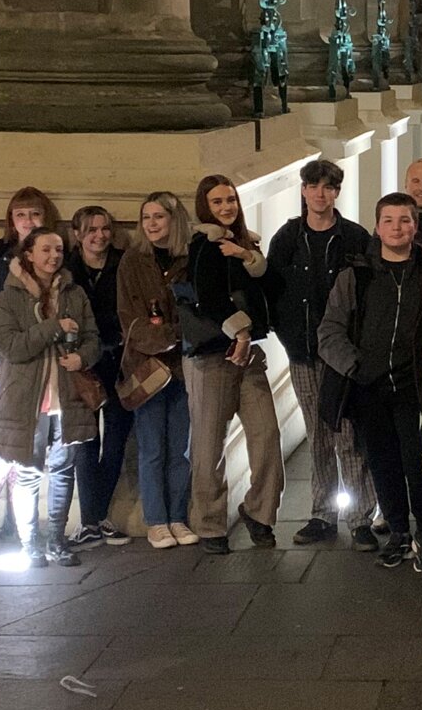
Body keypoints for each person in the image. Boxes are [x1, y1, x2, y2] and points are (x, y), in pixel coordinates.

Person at [320, 193, 422, 569]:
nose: (397, 228)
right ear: (377, 226)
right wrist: (354, 366)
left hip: (416, 386)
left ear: (415, 225)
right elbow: (330, 330)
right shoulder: (356, 275)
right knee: (382, 462)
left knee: (420, 461)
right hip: (369, 387)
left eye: (405, 220)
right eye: (389, 220)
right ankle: (398, 530)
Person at [269, 161, 375, 546]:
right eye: (313, 186)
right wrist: (289, 336)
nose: (320, 193)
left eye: (328, 187)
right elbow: (273, 291)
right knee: (317, 434)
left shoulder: (355, 238)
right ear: (303, 190)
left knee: (348, 432)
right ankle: (322, 513)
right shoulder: (287, 238)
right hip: (303, 353)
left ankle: (361, 516)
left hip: (344, 353)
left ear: (336, 193)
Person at [0, 225, 101, 565]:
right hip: (27, 400)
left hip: (67, 398)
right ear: (28, 254)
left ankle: (57, 538)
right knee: (26, 470)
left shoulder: (74, 293)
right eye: (45, 250)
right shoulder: (7, 298)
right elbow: (8, 346)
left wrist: (83, 356)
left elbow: (93, 337)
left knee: (63, 469)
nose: (53, 256)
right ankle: (30, 542)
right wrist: (53, 327)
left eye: (58, 250)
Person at [185, 175, 284, 554]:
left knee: (267, 436)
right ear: (204, 207)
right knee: (209, 446)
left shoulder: (244, 244)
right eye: (217, 202)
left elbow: (272, 286)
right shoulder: (204, 246)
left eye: (230, 200)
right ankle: (210, 525)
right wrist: (240, 333)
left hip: (248, 359)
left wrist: (247, 257)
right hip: (214, 357)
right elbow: (208, 298)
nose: (226, 207)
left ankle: (259, 513)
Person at [117, 191, 196, 549]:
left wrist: (178, 337)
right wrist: (162, 339)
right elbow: (127, 317)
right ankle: (156, 520)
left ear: (173, 220)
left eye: (159, 217)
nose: (151, 224)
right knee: (151, 448)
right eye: (146, 217)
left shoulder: (190, 256)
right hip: (148, 367)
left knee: (180, 447)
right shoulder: (133, 261)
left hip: (184, 365)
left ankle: (178, 515)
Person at [64, 206, 133, 547]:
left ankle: (97, 512)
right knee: (86, 441)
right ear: (77, 233)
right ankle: (92, 519)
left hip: (120, 361)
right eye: (91, 229)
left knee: (118, 437)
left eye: (105, 228)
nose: (99, 236)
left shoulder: (125, 263)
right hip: (83, 364)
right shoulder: (67, 270)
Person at [0, 186, 58, 403]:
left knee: (53, 435)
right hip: (2, 363)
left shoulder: (59, 255)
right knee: (11, 432)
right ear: (11, 219)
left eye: (35, 214)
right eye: (21, 215)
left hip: (47, 364)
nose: (29, 221)